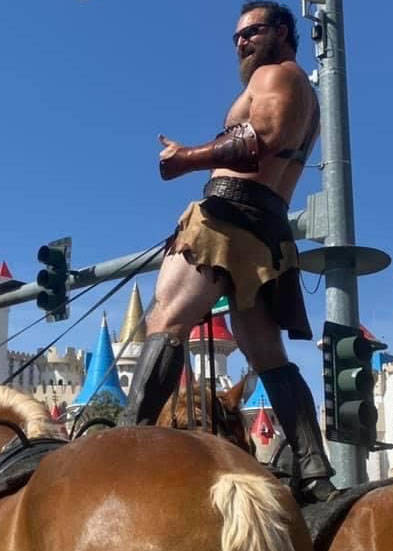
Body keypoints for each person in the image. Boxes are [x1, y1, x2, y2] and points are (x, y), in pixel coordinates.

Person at [118, 2, 338, 503]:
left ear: (282, 31)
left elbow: (262, 139)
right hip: (268, 228)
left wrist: (188, 159)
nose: (241, 42)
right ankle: (315, 470)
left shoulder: (276, 77)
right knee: (265, 353)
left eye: (251, 31)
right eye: (236, 37)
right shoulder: (301, 88)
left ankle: (123, 442)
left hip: (229, 217)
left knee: (166, 319)